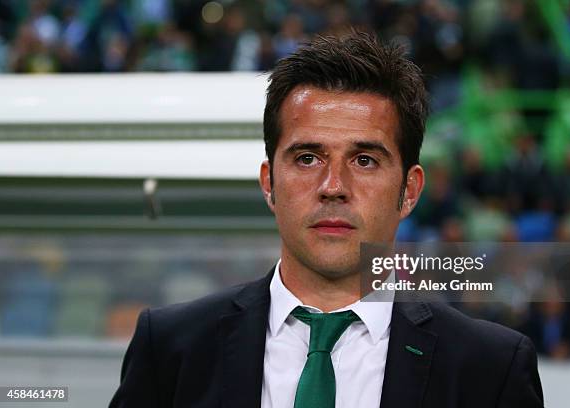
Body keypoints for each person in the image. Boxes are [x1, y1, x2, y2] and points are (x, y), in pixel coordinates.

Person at [109, 31, 543, 408]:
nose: (333, 185)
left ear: (409, 190)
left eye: (366, 160)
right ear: (269, 183)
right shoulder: (170, 348)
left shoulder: (490, 368)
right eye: (307, 157)